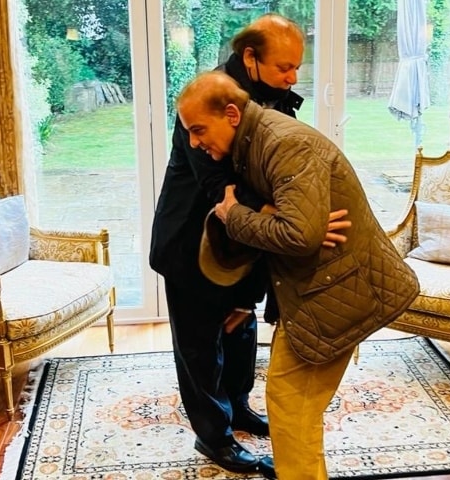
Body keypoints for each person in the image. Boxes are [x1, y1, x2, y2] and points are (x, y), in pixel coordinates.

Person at [176, 71, 420, 480]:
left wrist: (234, 214)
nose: (194, 143)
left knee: (291, 406)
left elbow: (298, 235)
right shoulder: (255, 141)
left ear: (232, 114)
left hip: (335, 292)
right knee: (294, 410)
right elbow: (299, 230)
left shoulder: (283, 143)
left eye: (198, 130)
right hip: (318, 289)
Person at [149, 13, 349, 477]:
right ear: (250, 58)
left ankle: (237, 408)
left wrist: (287, 212)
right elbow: (221, 186)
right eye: (284, 67)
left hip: (244, 248)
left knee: (240, 335)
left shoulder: (274, 101)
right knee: (200, 349)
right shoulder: (207, 102)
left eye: (297, 67)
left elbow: (279, 173)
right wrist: (296, 219)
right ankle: (213, 437)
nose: (293, 77)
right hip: (189, 246)